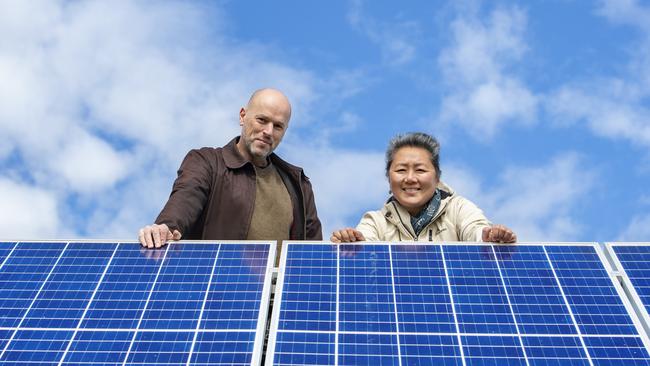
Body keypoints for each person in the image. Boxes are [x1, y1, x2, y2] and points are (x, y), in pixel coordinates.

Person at [139, 88, 323, 257]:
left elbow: (315, 257)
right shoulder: (208, 162)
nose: (268, 131)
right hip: (217, 287)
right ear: (243, 116)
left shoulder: (298, 184)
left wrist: (347, 247)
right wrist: (166, 227)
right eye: (262, 120)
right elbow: (185, 199)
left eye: (278, 126)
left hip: (275, 293)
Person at [331, 132, 516, 244]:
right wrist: (352, 242)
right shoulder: (375, 221)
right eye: (401, 170)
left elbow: (476, 230)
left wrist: (488, 236)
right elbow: (364, 243)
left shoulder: (459, 209)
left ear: (437, 178)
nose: (410, 178)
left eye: (420, 170)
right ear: (389, 178)